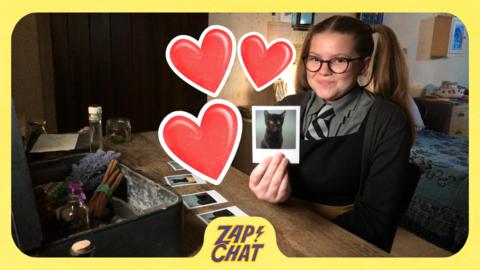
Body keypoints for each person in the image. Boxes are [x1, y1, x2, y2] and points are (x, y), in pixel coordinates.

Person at [248, 15, 420, 252]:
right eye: (315, 59)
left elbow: (375, 222)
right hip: (278, 228)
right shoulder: (287, 106)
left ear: (364, 64)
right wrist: (265, 189)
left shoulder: (387, 120)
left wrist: (300, 238)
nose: (323, 71)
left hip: (333, 245)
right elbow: (262, 173)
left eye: (339, 60)